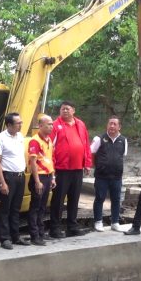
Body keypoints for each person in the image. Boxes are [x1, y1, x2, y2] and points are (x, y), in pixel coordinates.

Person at [48, 100, 92, 238]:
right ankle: (55, 228)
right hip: (61, 169)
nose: (65, 111)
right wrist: (52, 169)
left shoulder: (80, 124)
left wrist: (87, 163)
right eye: (62, 109)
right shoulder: (55, 126)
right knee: (58, 199)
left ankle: (72, 225)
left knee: (74, 198)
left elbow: (86, 144)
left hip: (77, 168)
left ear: (73, 110)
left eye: (67, 109)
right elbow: (49, 147)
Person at [0, 112, 30, 249]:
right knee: (5, 209)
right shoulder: (0, 139)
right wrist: (2, 182)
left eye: (21, 122)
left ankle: (16, 236)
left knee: (16, 208)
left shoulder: (20, 136)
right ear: (9, 125)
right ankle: (5, 238)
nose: (20, 125)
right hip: (8, 176)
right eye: (18, 123)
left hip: (20, 176)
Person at [90, 115, 127, 232]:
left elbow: (122, 156)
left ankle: (115, 222)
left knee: (116, 199)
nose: (112, 126)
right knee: (99, 198)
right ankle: (98, 221)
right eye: (110, 123)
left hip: (116, 177)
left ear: (119, 127)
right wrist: (96, 166)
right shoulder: (99, 139)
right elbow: (91, 153)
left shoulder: (123, 140)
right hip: (102, 176)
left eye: (114, 124)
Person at [27, 114, 56, 246]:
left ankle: (41, 232)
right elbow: (33, 162)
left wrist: (53, 176)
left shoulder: (49, 140)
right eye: (48, 124)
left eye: (51, 124)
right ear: (40, 126)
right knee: (35, 207)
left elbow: (50, 160)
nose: (51, 126)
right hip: (39, 177)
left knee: (43, 207)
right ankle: (34, 235)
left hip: (48, 176)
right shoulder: (35, 141)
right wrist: (37, 181)